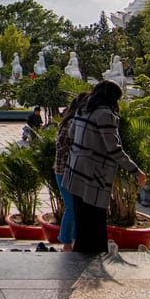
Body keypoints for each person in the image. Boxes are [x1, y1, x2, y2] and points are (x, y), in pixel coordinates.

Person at [62, 81, 147, 254]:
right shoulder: (105, 114)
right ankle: (93, 256)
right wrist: (136, 171)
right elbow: (114, 149)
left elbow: (70, 135)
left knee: (82, 218)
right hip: (94, 175)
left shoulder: (82, 109)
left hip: (75, 170)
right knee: (95, 219)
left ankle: (81, 253)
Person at [55, 92, 88, 252]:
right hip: (65, 170)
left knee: (76, 206)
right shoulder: (71, 122)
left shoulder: (78, 121)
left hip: (75, 170)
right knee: (71, 207)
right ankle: (67, 242)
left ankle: (74, 241)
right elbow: (61, 145)